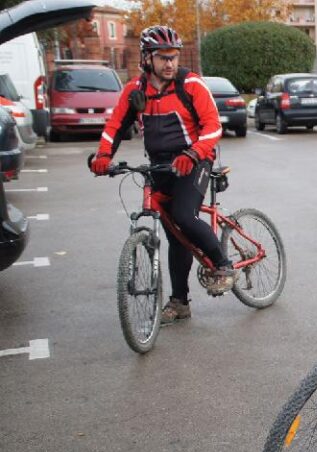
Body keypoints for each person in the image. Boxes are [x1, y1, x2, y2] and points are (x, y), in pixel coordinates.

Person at [90, 25, 234, 324]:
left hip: (194, 160)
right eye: (163, 57)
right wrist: (103, 155)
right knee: (174, 235)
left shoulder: (191, 85)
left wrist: (193, 154)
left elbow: (213, 126)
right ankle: (180, 302)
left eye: (174, 57)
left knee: (183, 216)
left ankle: (223, 264)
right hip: (159, 165)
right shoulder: (135, 90)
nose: (170, 63)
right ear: (147, 58)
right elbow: (115, 126)